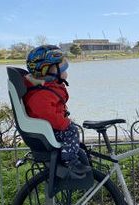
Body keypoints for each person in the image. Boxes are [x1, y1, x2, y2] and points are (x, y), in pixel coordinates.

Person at [23, 45, 91, 176]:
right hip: (49, 131)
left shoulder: (47, 88)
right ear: (48, 71)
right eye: (62, 68)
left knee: (73, 134)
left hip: (50, 128)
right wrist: (65, 123)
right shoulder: (41, 94)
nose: (66, 71)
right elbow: (48, 115)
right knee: (71, 131)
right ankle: (70, 161)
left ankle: (73, 155)